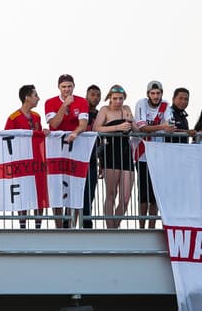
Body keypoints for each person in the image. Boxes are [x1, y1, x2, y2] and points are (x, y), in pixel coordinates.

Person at [44, 74, 89, 228]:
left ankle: (71, 225)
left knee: (74, 185)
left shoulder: (82, 101)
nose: (67, 90)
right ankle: (58, 226)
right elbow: (55, 124)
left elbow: (83, 124)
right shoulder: (50, 102)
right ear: (59, 87)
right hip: (56, 150)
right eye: (64, 87)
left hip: (76, 148)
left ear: (74, 86)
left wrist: (75, 133)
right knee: (56, 186)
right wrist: (64, 106)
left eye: (69, 86)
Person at [93, 86, 135, 229]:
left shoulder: (127, 109)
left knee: (126, 196)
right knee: (111, 194)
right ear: (110, 97)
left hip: (126, 153)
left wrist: (131, 121)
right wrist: (117, 128)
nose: (118, 101)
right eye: (115, 98)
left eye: (120, 98)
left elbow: (136, 130)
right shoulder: (105, 110)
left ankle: (115, 227)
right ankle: (110, 228)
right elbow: (96, 128)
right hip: (110, 152)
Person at [5, 85, 45, 229]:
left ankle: (38, 225)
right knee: (23, 193)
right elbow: (7, 140)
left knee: (39, 191)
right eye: (36, 95)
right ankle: (22, 225)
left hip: (37, 160)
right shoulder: (13, 118)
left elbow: (39, 137)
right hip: (21, 161)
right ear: (27, 97)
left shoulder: (37, 116)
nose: (38, 98)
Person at [132, 80, 169, 228]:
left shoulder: (166, 105)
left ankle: (151, 226)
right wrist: (161, 127)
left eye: (158, 93)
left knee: (154, 195)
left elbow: (170, 125)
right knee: (143, 194)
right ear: (148, 94)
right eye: (152, 93)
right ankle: (141, 227)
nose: (155, 96)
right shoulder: (141, 103)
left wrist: (159, 127)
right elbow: (141, 127)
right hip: (142, 153)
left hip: (158, 154)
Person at [81, 84, 103, 227]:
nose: (95, 98)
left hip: (93, 158)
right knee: (74, 193)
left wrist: (102, 161)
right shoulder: (80, 112)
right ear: (86, 96)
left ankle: (87, 224)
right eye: (92, 95)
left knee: (90, 193)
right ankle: (66, 224)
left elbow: (103, 139)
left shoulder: (100, 114)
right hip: (78, 157)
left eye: (98, 95)